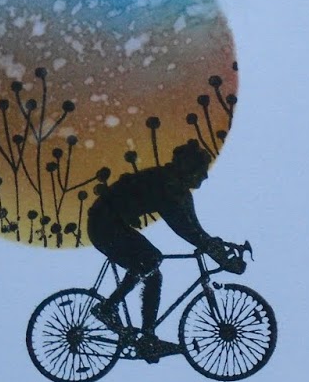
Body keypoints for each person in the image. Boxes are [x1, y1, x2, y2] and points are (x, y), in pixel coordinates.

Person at [86, 141, 242, 362]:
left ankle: (145, 334)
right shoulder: (166, 185)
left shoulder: (180, 192)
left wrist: (219, 249)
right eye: (201, 170)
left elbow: (197, 231)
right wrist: (220, 256)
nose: (205, 176)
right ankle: (111, 311)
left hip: (111, 223)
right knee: (151, 260)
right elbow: (184, 228)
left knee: (152, 271)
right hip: (103, 224)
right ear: (187, 168)